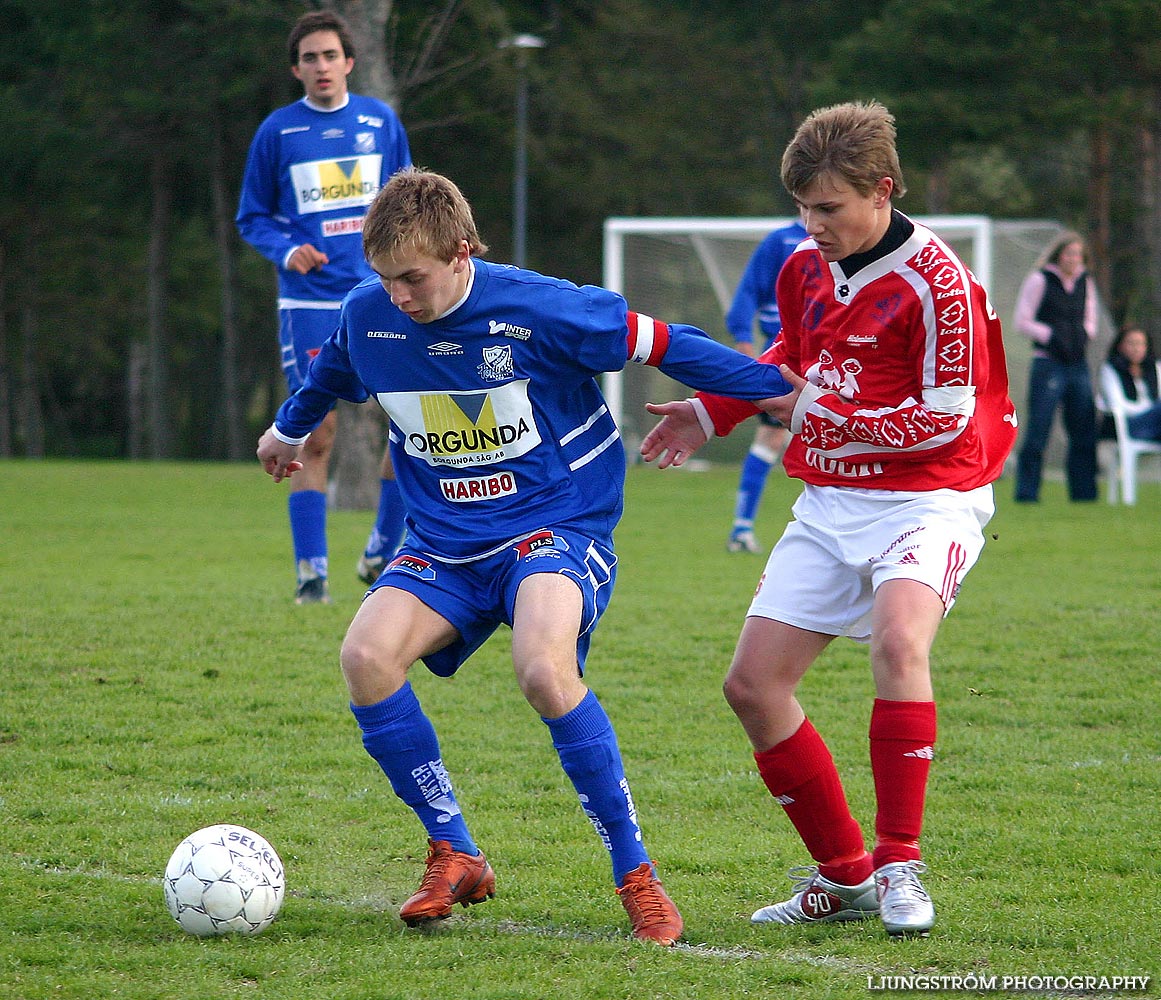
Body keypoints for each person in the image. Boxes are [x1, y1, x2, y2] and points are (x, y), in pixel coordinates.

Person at [256, 168, 793, 943]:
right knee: (366, 657)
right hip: (443, 541)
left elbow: (673, 344)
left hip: (555, 526)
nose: (399, 296)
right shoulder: (368, 313)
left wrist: (774, 393)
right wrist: (288, 429)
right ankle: (454, 850)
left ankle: (634, 872)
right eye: (386, 279)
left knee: (543, 669)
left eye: (413, 277)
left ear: (461, 251)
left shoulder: (543, 309)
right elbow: (330, 372)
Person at [640, 101, 1016, 938]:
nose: (810, 226)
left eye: (828, 209)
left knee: (897, 642)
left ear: (882, 191)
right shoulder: (802, 267)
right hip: (834, 496)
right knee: (751, 686)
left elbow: (947, 420)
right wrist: (709, 413)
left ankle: (900, 864)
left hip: (933, 493)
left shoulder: (941, 285)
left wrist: (815, 408)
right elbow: (787, 361)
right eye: (801, 207)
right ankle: (843, 877)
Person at [237, 10, 413, 604]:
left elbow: (406, 202)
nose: (321, 67)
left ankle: (385, 547)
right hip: (309, 301)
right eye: (309, 58)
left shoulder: (380, 121)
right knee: (316, 429)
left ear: (349, 62)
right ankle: (312, 575)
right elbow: (252, 216)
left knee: (413, 419)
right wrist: (288, 251)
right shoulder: (277, 133)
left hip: (382, 294)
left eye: (330, 55)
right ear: (296, 69)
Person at [724, 221, 807, 553]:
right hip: (785, 358)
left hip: (834, 358)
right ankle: (742, 528)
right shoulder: (782, 240)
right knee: (772, 437)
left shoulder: (851, 238)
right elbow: (748, 291)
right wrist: (743, 339)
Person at [1012, 232, 1100, 503]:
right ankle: (1027, 493)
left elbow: (1090, 317)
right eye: (1068, 253)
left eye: (1077, 255)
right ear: (1058, 255)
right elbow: (1022, 320)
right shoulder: (1040, 280)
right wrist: (1051, 335)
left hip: (1077, 363)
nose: (1072, 259)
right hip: (1048, 362)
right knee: (1039, 429)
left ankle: (1084, 494)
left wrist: (1085, 333)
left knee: (1084, 427)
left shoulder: (1086, 282)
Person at [1101, 324, 1161, 441]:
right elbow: (1117, 405)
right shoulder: (1111, 370)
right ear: (1120, 346)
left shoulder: (1155, 368)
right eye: (1131, 343)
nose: (1136, 349)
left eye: (1140, 344)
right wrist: (1149, 408)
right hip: (1129, 425)